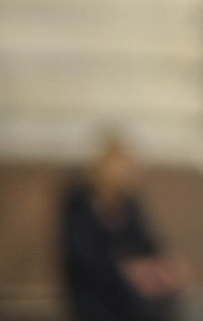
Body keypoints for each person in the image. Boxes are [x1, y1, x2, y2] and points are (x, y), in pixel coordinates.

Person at [58, 134, 187, 321]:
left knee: (164, 296)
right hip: (95, 293)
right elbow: (83, 256)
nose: (122, 174)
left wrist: (166, 266)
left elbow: (149, 243)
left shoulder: (129, 205)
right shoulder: (79, 202)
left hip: (132, 291)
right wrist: (128, 271)